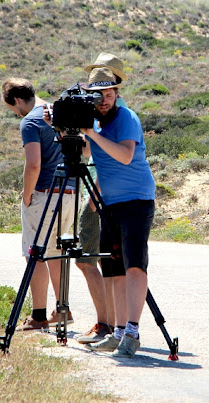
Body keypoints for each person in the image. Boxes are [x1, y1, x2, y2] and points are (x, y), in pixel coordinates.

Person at [80, 67, 156, 358]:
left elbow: (124, 155)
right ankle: (119, 331)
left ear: (116, 94)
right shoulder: (95, 122)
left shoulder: (126, 117)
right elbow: (91, 153)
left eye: (110, 94)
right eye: (99, 96)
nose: (105, 100)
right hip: (109, 203)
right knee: (111, 268)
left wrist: (91, 134)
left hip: (136, 200)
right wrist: (65, 130)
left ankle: (132, 332)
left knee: (134, 264)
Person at [1, 77, 77, 332]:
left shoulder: (31, 121)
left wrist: (26, 194)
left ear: (17, 100)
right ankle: (62, 310)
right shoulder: (59, 112)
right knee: (58, 253)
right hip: (71, 190)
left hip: (45, 193)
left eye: (13, 108)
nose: (16, 113)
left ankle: (38, 315)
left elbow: (33, 163)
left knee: (35, 254)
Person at [72, 53, 129, 344]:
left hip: (99, 197)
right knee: (92, 261)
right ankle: (108, 325)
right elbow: (90, 153)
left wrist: (95, 197)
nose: (100, 95)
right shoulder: (100, 117)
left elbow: (117, 161)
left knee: (89, 260)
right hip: (95, 194)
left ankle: (106, 324)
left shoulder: (118, 118)